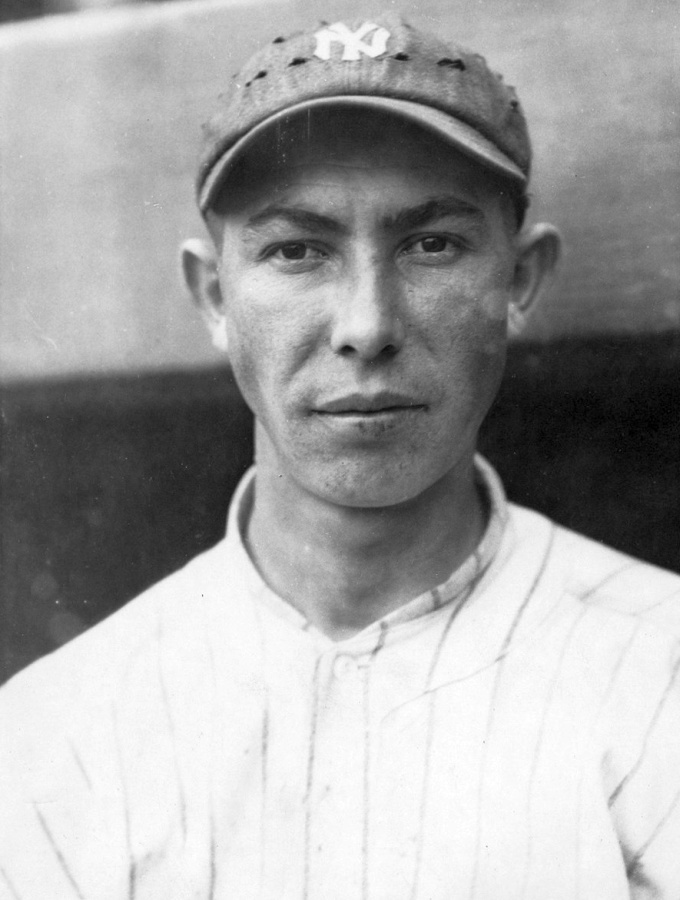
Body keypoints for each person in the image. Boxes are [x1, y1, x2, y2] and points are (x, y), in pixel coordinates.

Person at [1, 12, 679, 899]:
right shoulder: (53, 742)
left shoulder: (660, 674)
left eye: (432, 245)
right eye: (296, 251)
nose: (366, 325)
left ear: (519, 279)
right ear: (214, 296)